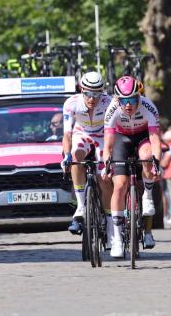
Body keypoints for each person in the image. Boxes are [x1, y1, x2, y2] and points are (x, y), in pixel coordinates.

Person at [101, 76, 162, 257]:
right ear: (117, 100)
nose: (128, 105)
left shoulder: (149, 106)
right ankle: (118, 239)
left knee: (146, 157)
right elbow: (108, 145)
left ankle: (148, 196)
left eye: (132, 100)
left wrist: (156, 162)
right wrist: (106, 164)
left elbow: (155, 138)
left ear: (139, 97)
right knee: (119, 185)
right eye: (124, 101)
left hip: (143, 137)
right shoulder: (112, 110)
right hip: (121, 139)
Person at [61, 71, 113, 238]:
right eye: (88, 94)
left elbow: (114, 132)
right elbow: (67, 134)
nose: (92, 99)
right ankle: (81, 205)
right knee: (76, 158)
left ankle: (109, 219)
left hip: (103, 136)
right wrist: (66, 155)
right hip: (81, 134)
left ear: (102, 92)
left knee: (103, 176)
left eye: (97, 94)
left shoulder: (109, 103)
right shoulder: (71, 103)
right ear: (81, 90)